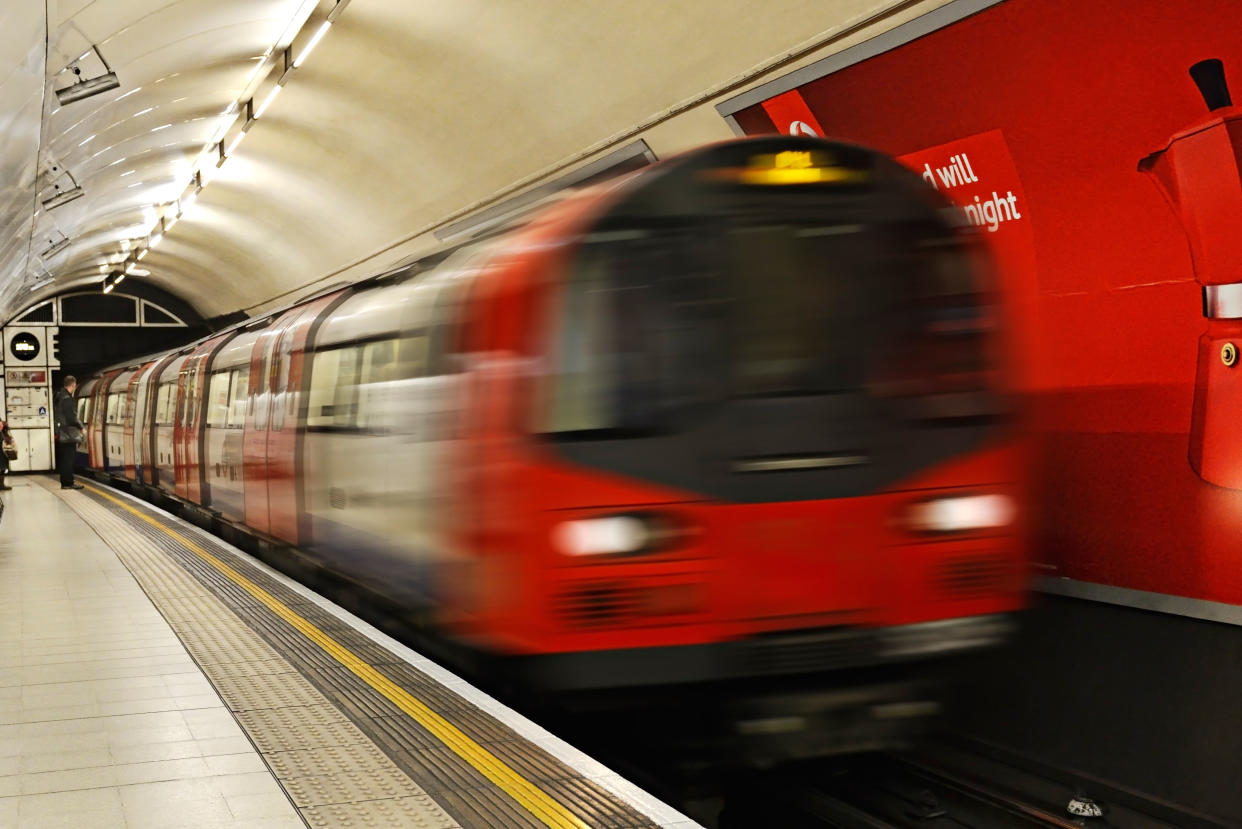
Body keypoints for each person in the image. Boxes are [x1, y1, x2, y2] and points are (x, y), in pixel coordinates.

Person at [54, 375, 84, 490]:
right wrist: (81, 427)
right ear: (73, 385)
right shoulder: (67, 399)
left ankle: (66, 481)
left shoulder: (60, 396)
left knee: (66, 458)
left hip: (63, 433)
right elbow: (72, 418)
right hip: (68, 434)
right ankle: (68, 482)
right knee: (69, 459)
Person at [0, 418, 12, 490]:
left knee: (3, 468)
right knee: (2, 467)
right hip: (1, 451)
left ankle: (1, 485)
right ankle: (1, 485)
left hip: (2, 450)